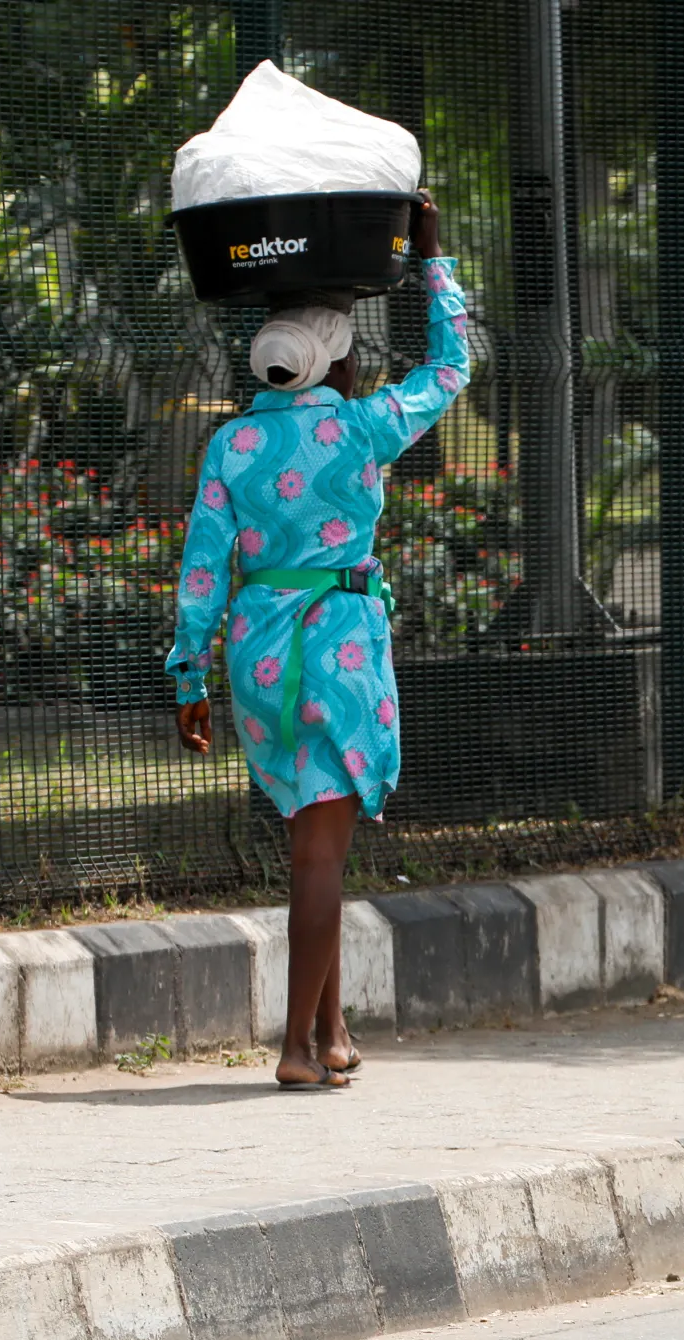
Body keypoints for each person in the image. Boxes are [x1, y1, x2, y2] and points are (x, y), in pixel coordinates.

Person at [167, 194, 469, 1089]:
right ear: (334, 355)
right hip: (336, 646)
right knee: (320, 856)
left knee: (311, 838)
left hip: (258, 657)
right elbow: (453, 368)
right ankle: (297, 1047)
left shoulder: (231, 444)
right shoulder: (364, 427)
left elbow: (200, 571)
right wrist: (431, 259)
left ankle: (333, 1031)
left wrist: (189, 677)